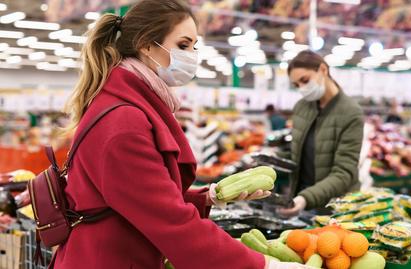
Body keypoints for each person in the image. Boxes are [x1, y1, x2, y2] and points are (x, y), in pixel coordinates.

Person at [54, 1, 313, 269]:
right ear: (146, 45)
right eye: (183, 45)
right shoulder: (124, 121)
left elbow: (137, 200)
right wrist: (264, 266)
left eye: (194, 46)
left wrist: (209, 197)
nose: (192, 55)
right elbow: (170, 221)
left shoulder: (124, 106)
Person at [278, 50, 365, 217]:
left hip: (336, 209)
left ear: (323, 70)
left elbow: (344, 172)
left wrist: (305, 198)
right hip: (302, 201)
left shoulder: (351, 113)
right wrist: (269, 159)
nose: (302, 88)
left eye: (305, 80)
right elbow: (298, 154)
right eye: (297, 85)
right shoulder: (302, 107)